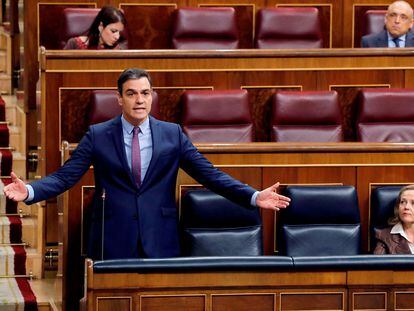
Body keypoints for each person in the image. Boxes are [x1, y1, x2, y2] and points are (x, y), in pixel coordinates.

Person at [4, 68, 290, 260]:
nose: (139, 100)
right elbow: (65, 177)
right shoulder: (98, 135)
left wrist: (253, 196)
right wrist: (30, 191)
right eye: (131, 93)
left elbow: (210, 175)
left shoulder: (173, 134)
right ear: (119, 99)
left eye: (145, 93)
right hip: (111, 238)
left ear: (152, 96)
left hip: (160, 237)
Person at [374, 185, 414, 254]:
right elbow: (377, 263)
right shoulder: (384, 236)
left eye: (413, 203)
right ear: (398, 207)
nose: (406, 207)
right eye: (403, 202)